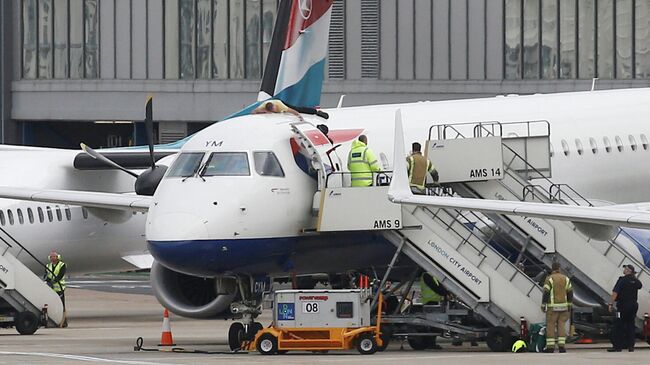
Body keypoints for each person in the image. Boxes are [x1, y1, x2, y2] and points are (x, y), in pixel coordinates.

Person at [607, 264, 643, 352]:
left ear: (628, 271)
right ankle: (631, 346)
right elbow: (640, 285)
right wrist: (633, 277)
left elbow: (615, 293)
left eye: (626, 269)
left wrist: (610, 304)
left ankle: (617, 347)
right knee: (631, 325)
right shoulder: (636, 281)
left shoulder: (622, 280)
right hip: (633, 306)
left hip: (623, 306)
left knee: (618, 325)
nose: (624, 270)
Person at [541, 262, 572, 353]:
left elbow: (546, 292)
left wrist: (543, 304)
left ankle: (550, 347)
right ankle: (562, 347)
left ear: (552, 268)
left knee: (550, 326)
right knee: (561, 325)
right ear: (559, 268)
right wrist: (569, 305)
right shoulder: (565, 278)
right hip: (564, 307)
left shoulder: (549, 279)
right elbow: (570, 292)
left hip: (552, 307)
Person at [419, 272, 449, 350]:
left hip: (434, 301)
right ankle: (430, 344)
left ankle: (431, 343)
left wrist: (446, 293)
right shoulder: (426, 275)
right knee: (432, 324)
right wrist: (445, 294)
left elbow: (439, 286)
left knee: (434, 324)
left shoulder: (433, 275)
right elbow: (435, 287)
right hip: (429, 301)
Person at [45, 251, 68, 327]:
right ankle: (52, 320)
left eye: (54, 256)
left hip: (59, 288)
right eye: (51, 257)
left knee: (61, 305)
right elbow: (47, 275)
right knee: (50, 305)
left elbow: (60, 275)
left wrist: (53, 281)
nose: (52, 258)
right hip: (51, 289)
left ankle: (63, 322)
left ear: (57, 257)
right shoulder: (48, 266)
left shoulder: (62, 265)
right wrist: (47, 281)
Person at [252, 99, 329, 119]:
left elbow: (292, 111)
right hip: (268, 105)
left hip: (280, 101)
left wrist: (299, 116)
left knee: (298, 108)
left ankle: (316, 111)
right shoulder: (263, 106)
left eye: (274, 110)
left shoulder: (280, 105)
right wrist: (263, 111)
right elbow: (253, 112)